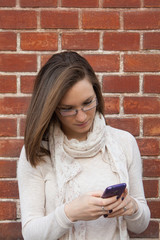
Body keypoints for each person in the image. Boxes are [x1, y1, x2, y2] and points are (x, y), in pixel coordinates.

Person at [18, 51, 150, 240]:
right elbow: (30, 233)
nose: (81, 117)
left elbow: (141, 225)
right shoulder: (37, 153)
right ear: (51, 108)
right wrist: (70, 213)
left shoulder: (124, 143)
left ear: (96, 93)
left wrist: (132, 207)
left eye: (87, 103)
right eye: (67, 109)